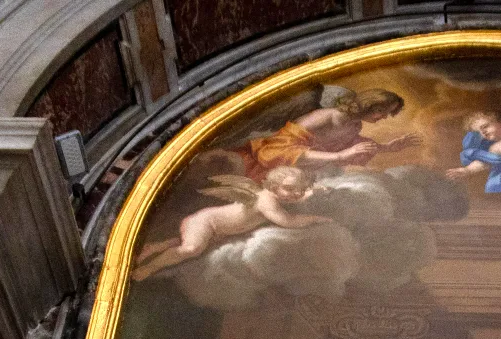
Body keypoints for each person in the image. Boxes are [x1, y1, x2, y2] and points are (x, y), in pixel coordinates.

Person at [131, 167, 331, 279]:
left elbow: (296, 198)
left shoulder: (275, 197)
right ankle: (149, 268)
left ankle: (155, 247)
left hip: (218, 230)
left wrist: (313, 191)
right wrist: (317, 219)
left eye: (299, 189)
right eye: (290, 189)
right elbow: (288, 221)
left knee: (197, 247)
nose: (295, 194)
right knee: (192, 249)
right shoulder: (267, 201)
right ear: (274, 186)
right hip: (207, 222)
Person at [233, 87, 417, 179]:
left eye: (387, 113)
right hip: (258, 166)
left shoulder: (355, 126)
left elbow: (353, 146)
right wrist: (339, 156)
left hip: (293, 177)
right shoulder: (325, 117)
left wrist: (387, 148)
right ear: (370, 104)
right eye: (382, 111)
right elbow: (276, 150)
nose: (384, 117)